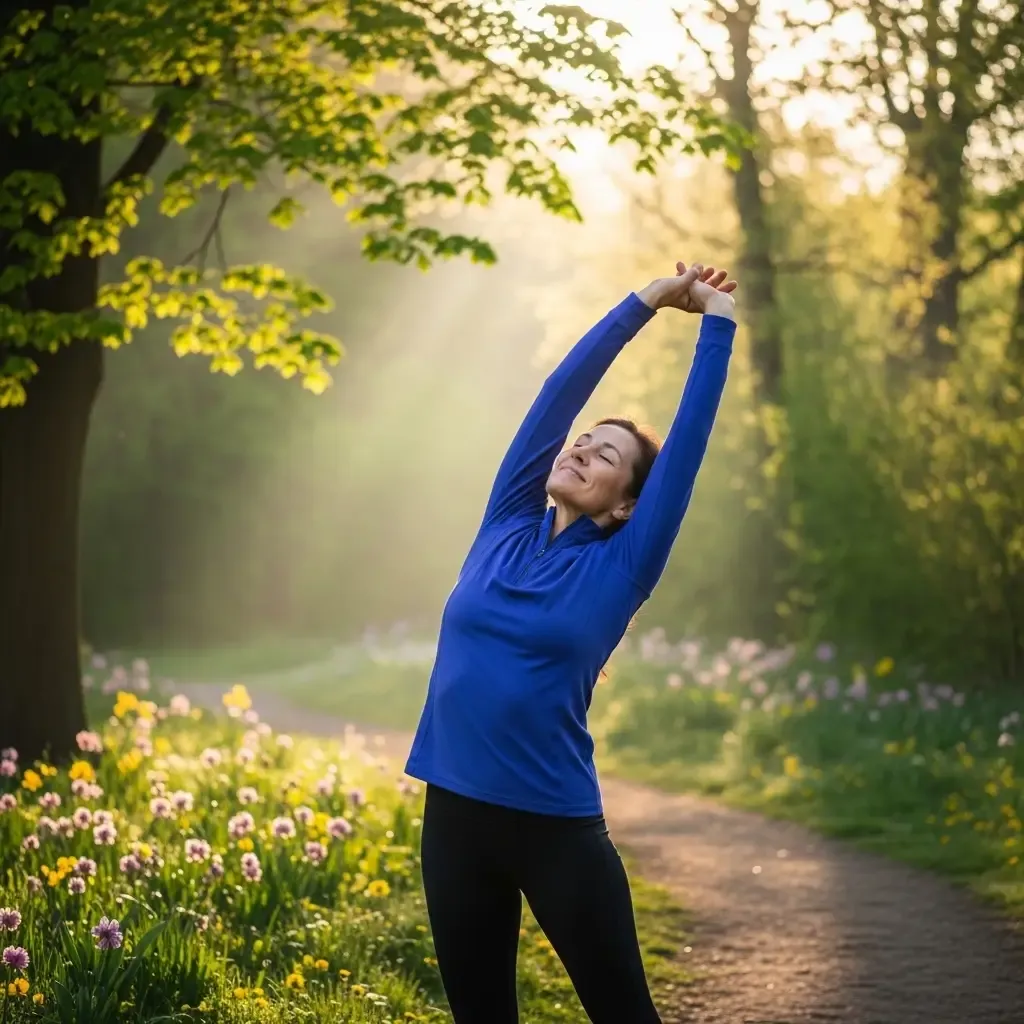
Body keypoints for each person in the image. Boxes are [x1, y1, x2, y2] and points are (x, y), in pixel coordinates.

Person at [404, 261, 738, 1023]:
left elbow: (684, 446)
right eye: (582, 443)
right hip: (452, 814)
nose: (580, 450)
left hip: (552, 827)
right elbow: (557, 397)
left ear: (625, 505)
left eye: (606, 456)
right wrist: (646, 301)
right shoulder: (504, 524)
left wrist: (716, 323)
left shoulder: (623, 563)